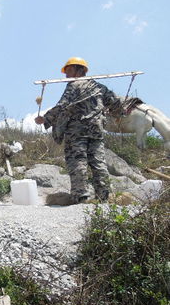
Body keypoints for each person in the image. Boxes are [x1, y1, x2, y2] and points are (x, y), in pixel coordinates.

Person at [35, 57, 122, 203]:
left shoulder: (73, 86)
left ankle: (81, 196)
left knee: (78, 161)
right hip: (96, 130)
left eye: (68, 71)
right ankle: (104, 196)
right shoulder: (99, 87)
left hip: (77, 131)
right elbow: (115, 104)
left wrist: (45, 119)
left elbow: (62, 106)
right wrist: (120, 112)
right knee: (98, 162)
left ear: (79, 70)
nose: (66, 75)